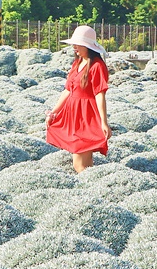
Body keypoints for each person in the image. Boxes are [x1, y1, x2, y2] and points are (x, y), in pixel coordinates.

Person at [45, 25, 111, 173]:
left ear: (88, 46)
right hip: (72, 115)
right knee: (86, 165)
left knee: (79, 165)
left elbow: (100, 95)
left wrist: (104, 122)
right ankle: (93, 187)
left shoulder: (97, 66)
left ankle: (90, 190)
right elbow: (68, 90)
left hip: (86, 118)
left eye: (78, 44)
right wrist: (53, 113)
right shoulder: (77, 63)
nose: (74, 47)